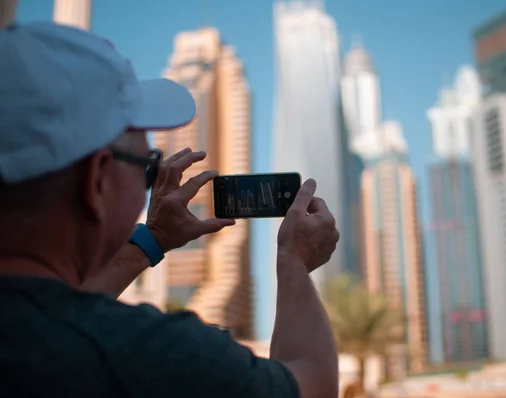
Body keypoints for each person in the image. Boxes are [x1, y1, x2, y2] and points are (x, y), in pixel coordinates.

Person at [0, 21, 340, 398]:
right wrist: (294, 262)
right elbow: (313, 384)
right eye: (148, 163)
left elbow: (55, 311)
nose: (158, 177)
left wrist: (152, 239)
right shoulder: (152, 353)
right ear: (97, 181)